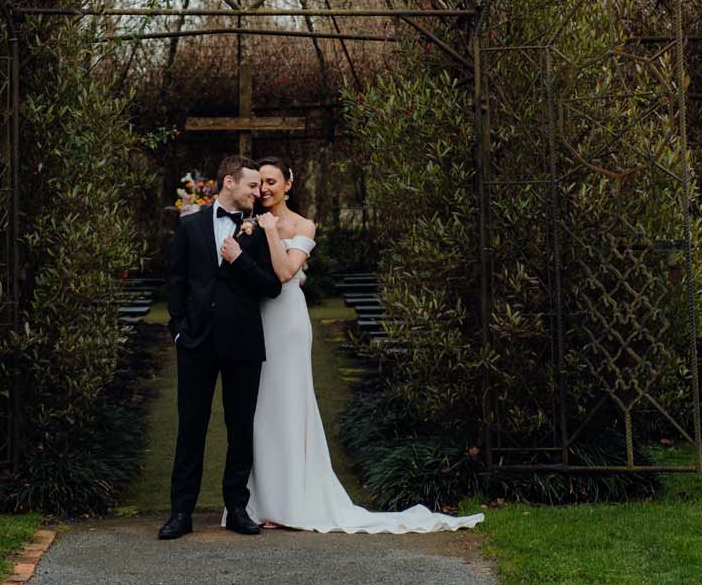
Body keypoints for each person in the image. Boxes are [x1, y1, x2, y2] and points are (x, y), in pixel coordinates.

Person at [246, 156, 484, 535]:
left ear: (288, 184)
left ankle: (292, 501)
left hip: (287, 323)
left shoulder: (302, 224)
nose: (265, 189)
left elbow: (287, 272)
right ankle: (261, 501)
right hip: (257, 321)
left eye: (272, 181)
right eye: (260, 182)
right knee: (261, 410)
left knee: (289, 402)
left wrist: (272, 232)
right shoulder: (251, 222)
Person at [158, 153, 282, 540]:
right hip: (195, 342)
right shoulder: (190, 226)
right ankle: (181, 512)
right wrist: (178, 330)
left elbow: (271, 286)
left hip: (243, 342)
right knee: (190, 427)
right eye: (251, 185)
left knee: (239, 427)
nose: (257, 191)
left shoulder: (259, 231)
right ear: (229, 183)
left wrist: (241, 258)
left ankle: (237, 508)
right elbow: (176, 281)